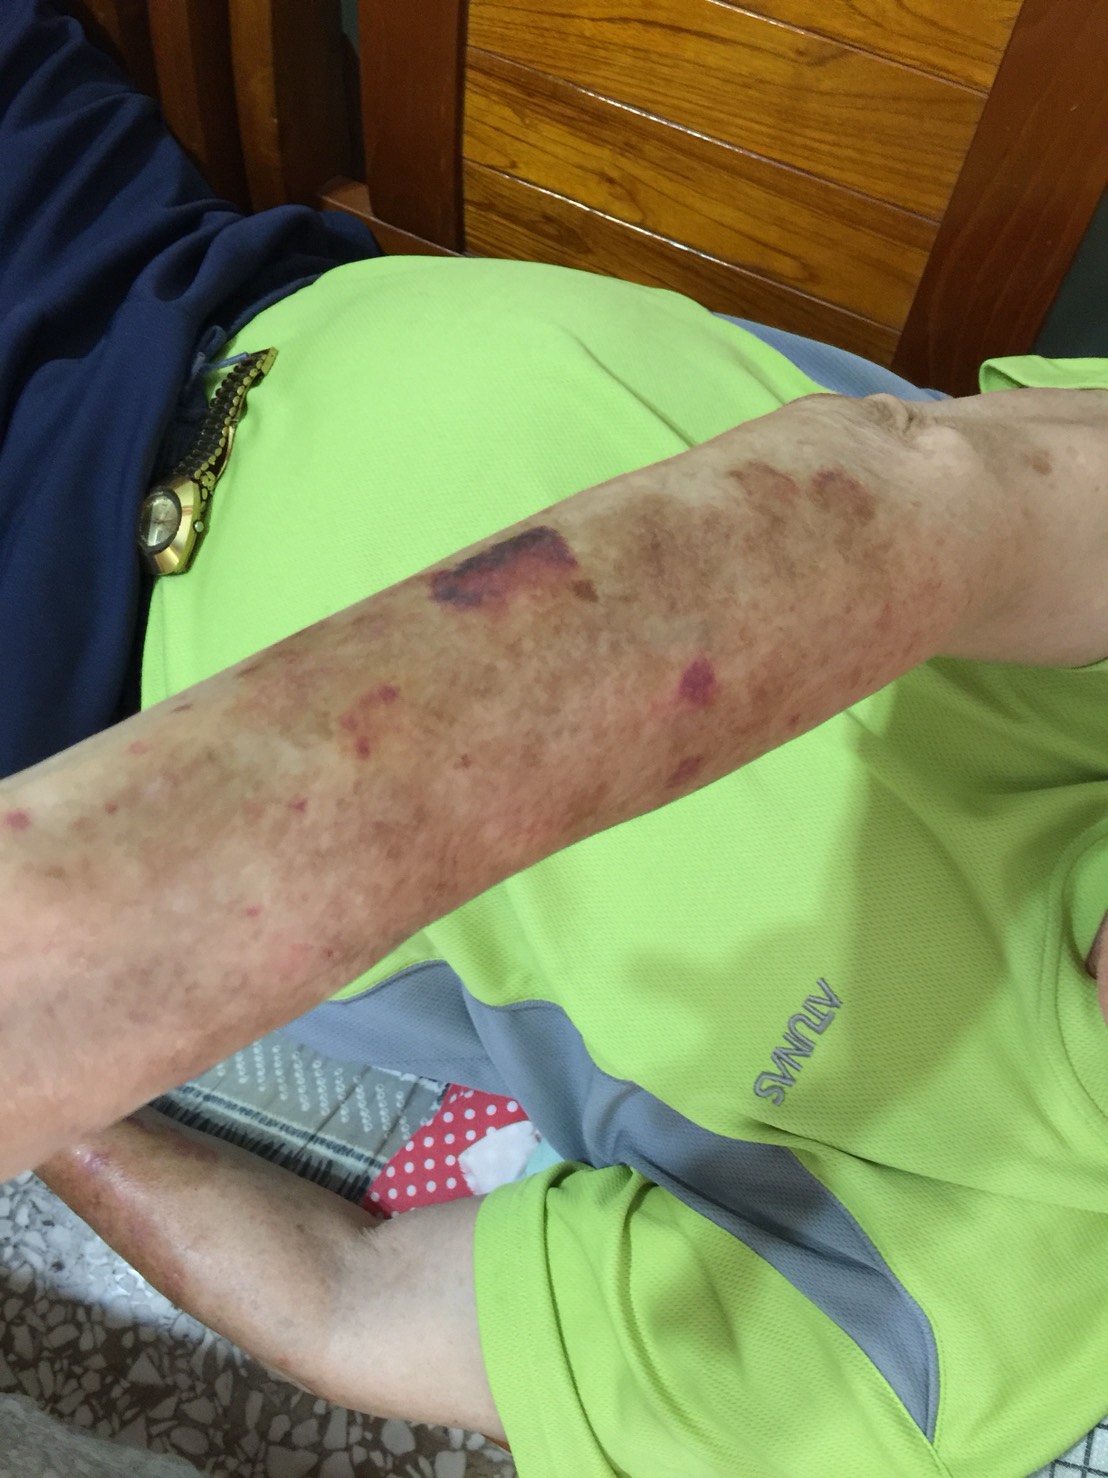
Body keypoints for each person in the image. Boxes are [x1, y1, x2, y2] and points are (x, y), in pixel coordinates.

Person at [2, 3, 1107, 1475]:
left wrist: (60, 1087)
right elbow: (918, 488)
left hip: (65, 689)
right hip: (188, 275)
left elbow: (348, 1301)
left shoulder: (941, 1354)